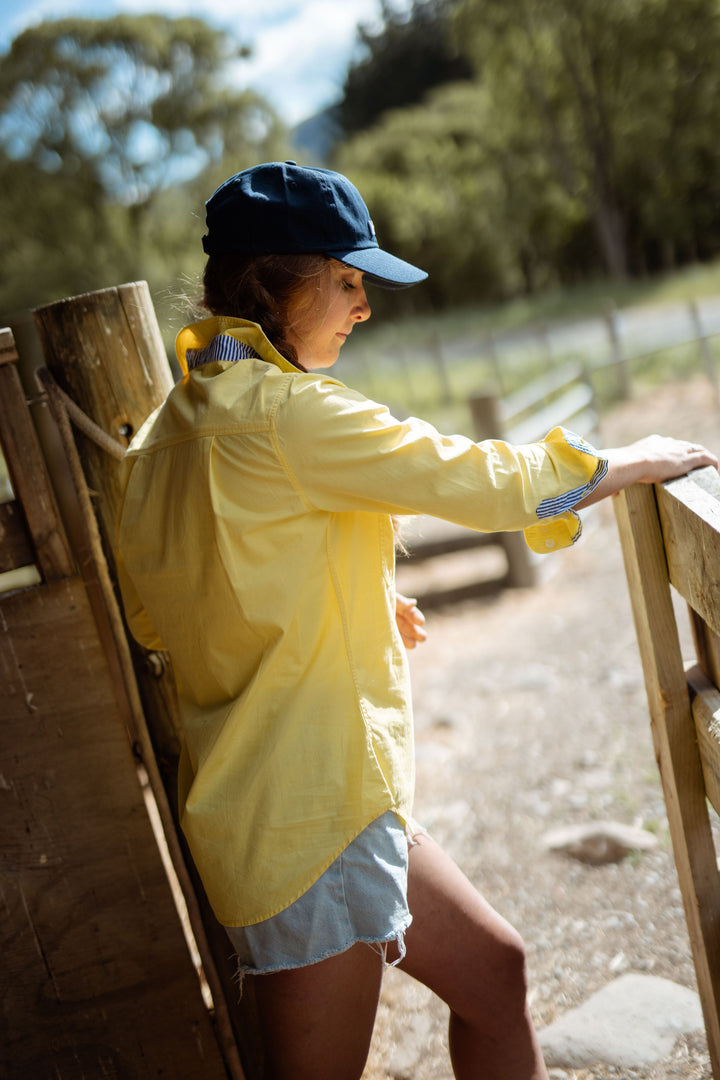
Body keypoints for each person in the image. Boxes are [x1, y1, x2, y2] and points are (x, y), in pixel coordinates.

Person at [115, 161, 718, 1080]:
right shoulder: (289, 415)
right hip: (306, 822)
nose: (363, 306)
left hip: (302, 805)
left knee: (495, 971)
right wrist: (629, 457)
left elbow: (164, 614)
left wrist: (346, 599)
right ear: (274, 283)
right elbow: (480, 479)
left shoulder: (165, 431)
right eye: (348, 282)